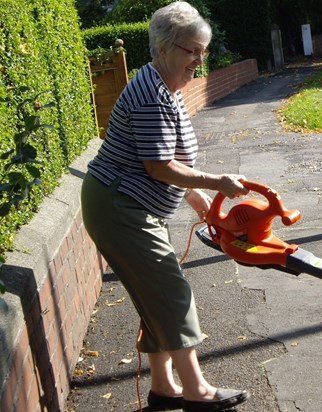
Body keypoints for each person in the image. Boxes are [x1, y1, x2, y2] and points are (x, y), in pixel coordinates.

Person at [80, 2, 250, 411]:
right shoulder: (152, 93)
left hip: (127, 204)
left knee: (154, 295)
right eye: (192, 50)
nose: (199, 59)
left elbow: (166, 158)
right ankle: (197, 391)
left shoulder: (164, 85)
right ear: (164, 47)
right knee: (171, 292)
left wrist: (194, 195)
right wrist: (214, 182)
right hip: (120, 206)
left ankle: (163, 388)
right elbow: (158, 166)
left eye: (202, 51)